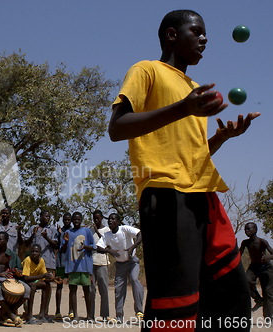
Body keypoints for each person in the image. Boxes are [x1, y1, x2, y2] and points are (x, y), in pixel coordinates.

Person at [108, 9, 258, 330]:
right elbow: (117, 127)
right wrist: (184, 107)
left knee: (231, 290)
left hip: (203, 195)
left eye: (205, 34)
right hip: (165, 196)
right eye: (197, 32)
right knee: (177, 300)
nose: (205, 39)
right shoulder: (147, 70)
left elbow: (192, 154)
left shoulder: (193, 88)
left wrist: (221, 136)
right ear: (172, 35)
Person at [96, 213, 143, 323]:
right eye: (109, 219)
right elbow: (98, 248)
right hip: (120, 265)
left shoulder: (125, 229)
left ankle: (139, 312)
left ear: (118, 222)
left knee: (135, 280)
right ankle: (119, 316)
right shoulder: (107, 235)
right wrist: (109, 250)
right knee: (119, 289)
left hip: (132, 262)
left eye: (113, 219)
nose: (110, 221)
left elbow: (140, 234)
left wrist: (132, 247)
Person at [0, 232, 30, 327]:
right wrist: (0, 274)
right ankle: (11, 314)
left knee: (27, 289)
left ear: (6, 241)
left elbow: (19, 268)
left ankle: (5, 313)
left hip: (10, 278)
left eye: (0, 239)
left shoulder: (12, 254)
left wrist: (17, 273)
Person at [60, 212, 95, 321]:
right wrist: (65, 242)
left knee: (87, 291)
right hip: (72, 266)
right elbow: (63, 250)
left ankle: (89, 316)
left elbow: (93, 247)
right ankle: (75, 315)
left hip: (84, 266)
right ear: (71, 220)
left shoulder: (87, 231)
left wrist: (85, 246)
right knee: (73, 291)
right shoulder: (67, 232)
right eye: (74, 220)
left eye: (78, 219)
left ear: (81, 220)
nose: (76, 221)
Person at [239, 222, 273, 318]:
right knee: (247, 281)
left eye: (249, 229)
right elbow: (238, 255)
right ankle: (258, 300)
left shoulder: (262, 242)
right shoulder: (245, 243)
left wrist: (268, 257)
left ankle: (268, 317)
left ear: (255, 230)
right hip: (254, 267)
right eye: (245, 229)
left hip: (266, 268)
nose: (246, 231)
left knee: (268, 292)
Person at [21, 244, 55, 324]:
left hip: (33, 280)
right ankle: (29, 315)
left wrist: (52, 279)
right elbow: (26, 278)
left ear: (40, 253)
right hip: (23, 280)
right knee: (32, 286)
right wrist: (42, 276)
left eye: (36, 252)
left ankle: (42, 314)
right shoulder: (28, 260)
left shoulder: (41, 261)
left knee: (46, 285)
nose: (34, 253)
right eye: (32, 251)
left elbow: (44, 277)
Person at [89, 210, 111, 321]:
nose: (96, 220)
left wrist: (97, 232)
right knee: (91, 290)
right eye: (94, 218)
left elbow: (107, 244)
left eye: (98, 218)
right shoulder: (90, 230)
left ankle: (105, 315)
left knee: (104, 289)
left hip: (103, 263)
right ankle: (91, 315)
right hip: (92, 263)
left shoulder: (107, 230)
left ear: (102, 218)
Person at [54, 212, 72, 320]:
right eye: (65, 220)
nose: (67, 221)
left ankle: (71, 310)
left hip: (70, 262)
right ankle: (58, 310)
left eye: (68, 220)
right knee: (59, 286)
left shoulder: (73, 231)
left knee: (72, 286)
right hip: (61, 261)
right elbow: (57, 246)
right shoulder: (59, 232)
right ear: (62, 220)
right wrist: (60, 234)